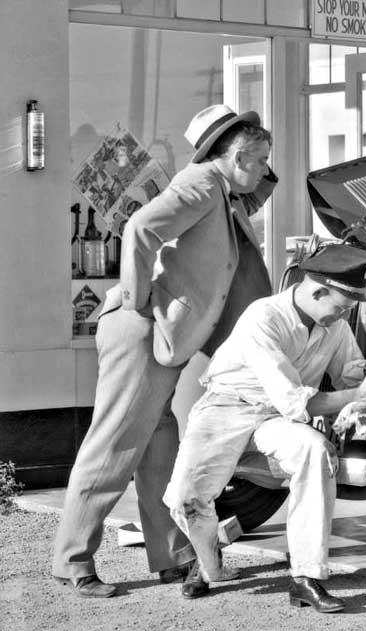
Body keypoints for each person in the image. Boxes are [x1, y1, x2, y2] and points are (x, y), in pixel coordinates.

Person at [51, 105, 277, 598]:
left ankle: (173, 558)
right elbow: (140, 228)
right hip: (142, 333)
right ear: (236, 156)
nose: (265, 170)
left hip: (161, 341)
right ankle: (73, 562)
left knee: (159, 453)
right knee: (110, 447)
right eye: (260, 159)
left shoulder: (223, 191)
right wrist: (137, 301)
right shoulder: (201, 184)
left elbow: (256, 191)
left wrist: (254, 160)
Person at [163, 244, 366, 612]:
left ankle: (307, 577)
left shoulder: (330, 323)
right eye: (341, 306)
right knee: (185, 497)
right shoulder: (264, 316)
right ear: (318, 291)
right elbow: (298, 399)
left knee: (314, 451)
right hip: (226, 408)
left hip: (275, 419)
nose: (343, 316)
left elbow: (349, 372)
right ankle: (207, 564)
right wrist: (358, 392)